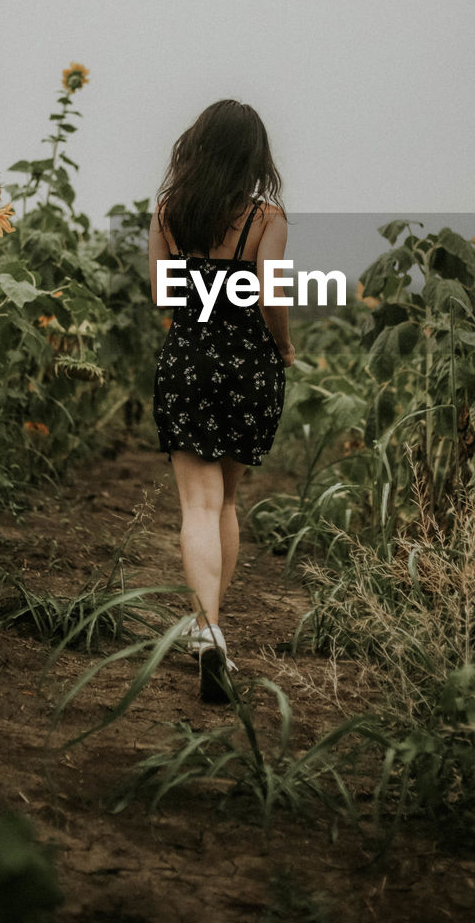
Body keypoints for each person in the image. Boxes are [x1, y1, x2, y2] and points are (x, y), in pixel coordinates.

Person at [148, 100, 295, 702]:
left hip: (189, 355)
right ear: (254, 155)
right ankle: (212, 629)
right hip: (248, 363)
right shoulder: (267, 217)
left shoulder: (169, 213)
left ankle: (206, 629)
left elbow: (163, 294)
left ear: (198, 146)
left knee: (196, 505)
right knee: (227, 499)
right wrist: (283, 347)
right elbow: (270, 294)